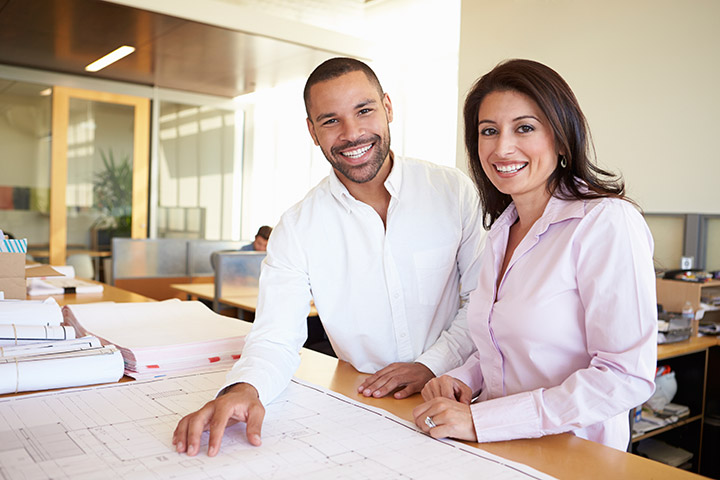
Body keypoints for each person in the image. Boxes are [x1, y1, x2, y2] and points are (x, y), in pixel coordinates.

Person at [173, 57, 484, 456]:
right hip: (366, 409)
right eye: (330, 120)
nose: (352, 134)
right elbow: (276, 335)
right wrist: (245, 388)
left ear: (388, 108)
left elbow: (481, 302)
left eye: (364, 110)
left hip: (462, 401)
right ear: (312, 131)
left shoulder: (452, 191)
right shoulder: (298, 227)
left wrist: (432, 363)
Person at [413, 59, 657, 450]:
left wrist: (482, 420)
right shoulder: (500, 232)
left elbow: (625, 375)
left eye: (524, 128)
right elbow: (506, 346)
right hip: (498, 450)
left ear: (561, 139)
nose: (502, 147)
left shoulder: (605, 222)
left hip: (573, 455)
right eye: (488, 131)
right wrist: (464, 378)